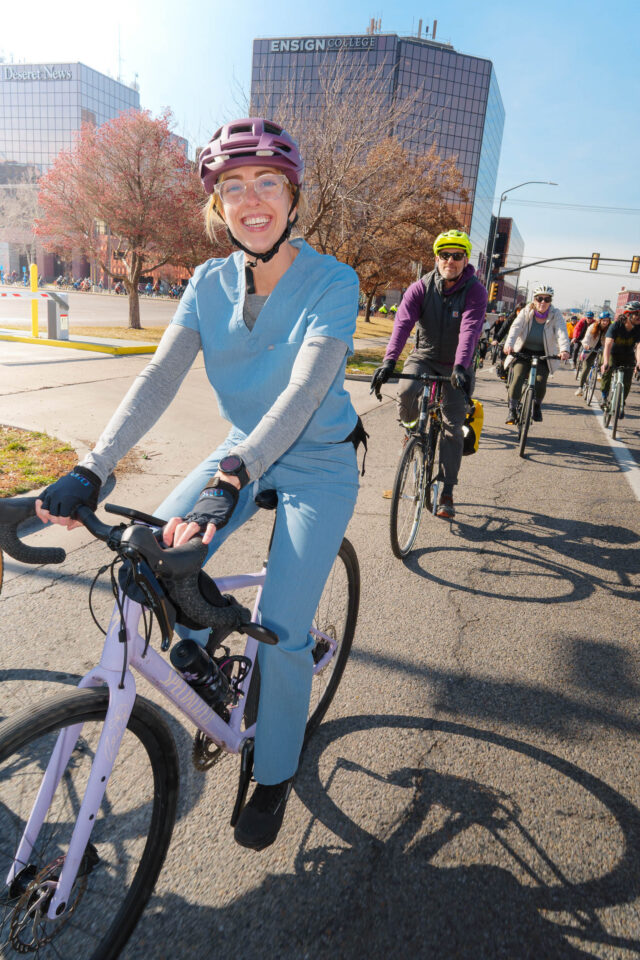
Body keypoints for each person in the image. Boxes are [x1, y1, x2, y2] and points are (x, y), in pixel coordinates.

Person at [34, 117, 363, 852]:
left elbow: (306, 390)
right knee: (145, 561)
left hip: (313, 464)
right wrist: (95, 465)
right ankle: (199, 653)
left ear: (293, 197)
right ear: (218, 205)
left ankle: (275, 768)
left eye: (267, 183)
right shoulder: (209, 284)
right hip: (235, 456)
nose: (252, 200)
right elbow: (157, 377)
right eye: (232, 187)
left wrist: (235, 474)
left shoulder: (335, 281)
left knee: (279, 627)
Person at [370, 229, 487, 519]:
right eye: (445, 255)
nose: (450, 260)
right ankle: (411, 433)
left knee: (452, 426)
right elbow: (402, 325)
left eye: (457, 255)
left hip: (456, 365)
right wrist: (388, 362)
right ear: (436, 258)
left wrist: (461, 367)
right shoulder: (419, 288)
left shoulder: (475, 290)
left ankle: (447, 490)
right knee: (407, 391)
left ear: (465, 259)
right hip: (424, 355)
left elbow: (469, 331)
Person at [503, 284, 570, 424]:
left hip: (543, 355)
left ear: (551, 301)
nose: (543, 302)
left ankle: (537, 406)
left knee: (540, 382)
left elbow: (561, 332)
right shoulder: (526, 311)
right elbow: (515, 328)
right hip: (523, 352)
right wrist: (509, 344)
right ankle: (512, 409)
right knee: (518, 377)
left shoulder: (555, 314)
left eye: (547, 299)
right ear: (534, 300)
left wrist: (564, 349)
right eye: (540, 299)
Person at [599, 301, 640, 413]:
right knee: (607, 370)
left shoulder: (638, 328)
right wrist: (606, 362)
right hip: (612, 354)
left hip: (628, 355)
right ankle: (604, 396)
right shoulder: (616, 325)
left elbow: (639, 347)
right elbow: (607, 345)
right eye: (637, 313)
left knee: (627, 382)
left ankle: (620, 402)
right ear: (628, 314)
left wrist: (639, 362)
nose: (639, 317)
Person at [574, 311, 611, 396]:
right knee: (586, 367)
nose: (605, 322)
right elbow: (586, 338)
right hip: (590, 348)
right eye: (604, 320)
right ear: (600, 320)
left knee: (605, 362)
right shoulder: (592, 327)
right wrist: (586, 345)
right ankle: (580, 388)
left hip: (602, 349)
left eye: (607, 320)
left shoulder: (609, 329)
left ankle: (598, 373)